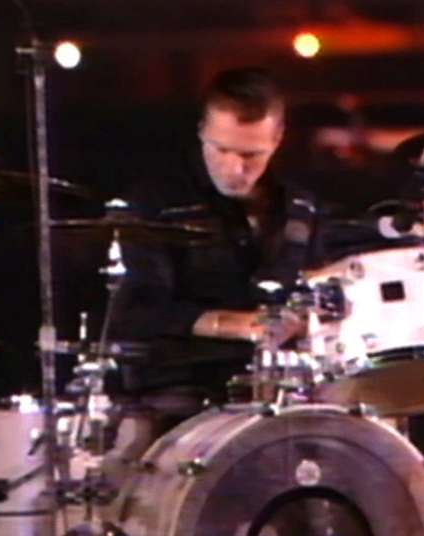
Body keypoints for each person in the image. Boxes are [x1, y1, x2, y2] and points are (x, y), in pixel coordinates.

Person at [110, 66, 314, 423]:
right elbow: (136, 313)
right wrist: (237, 325)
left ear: (278, 139)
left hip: (284, 390)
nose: (235, 169)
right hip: (181, 390)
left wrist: (305, 319)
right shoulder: (155, 204)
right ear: (202, 130)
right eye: (222, 150)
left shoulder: (301, 210)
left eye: (252, 155)